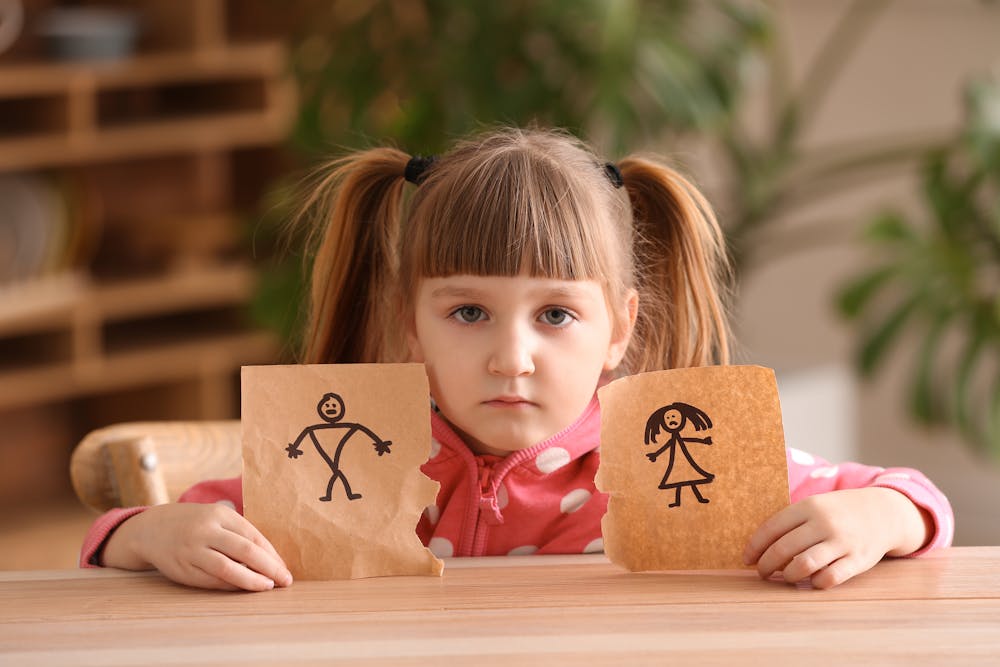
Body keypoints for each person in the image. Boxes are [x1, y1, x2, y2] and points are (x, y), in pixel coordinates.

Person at [80, 127, 953, 591]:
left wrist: (876, 518)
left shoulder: (683, 456)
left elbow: (915, 501)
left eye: (557, 314)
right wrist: (155, 531)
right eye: (467, 310)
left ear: (620, 327)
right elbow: (122, 542)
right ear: (409, 323)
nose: (511, 356)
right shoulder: (348, 469)